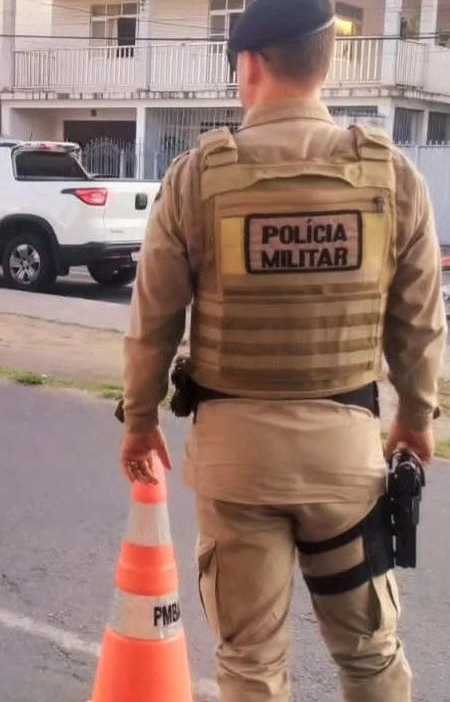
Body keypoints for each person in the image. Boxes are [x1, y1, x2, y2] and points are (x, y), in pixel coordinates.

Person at [119, 1, 446, 701]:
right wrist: (418, 417)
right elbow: (419, 324)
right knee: (369, 655)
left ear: (251, 64)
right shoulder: (390, 176)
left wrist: (141, 419)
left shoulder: (196, 178)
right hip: (346, 461)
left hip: (237, 462)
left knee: (250, 667)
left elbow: (154, 321)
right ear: (327, 62)